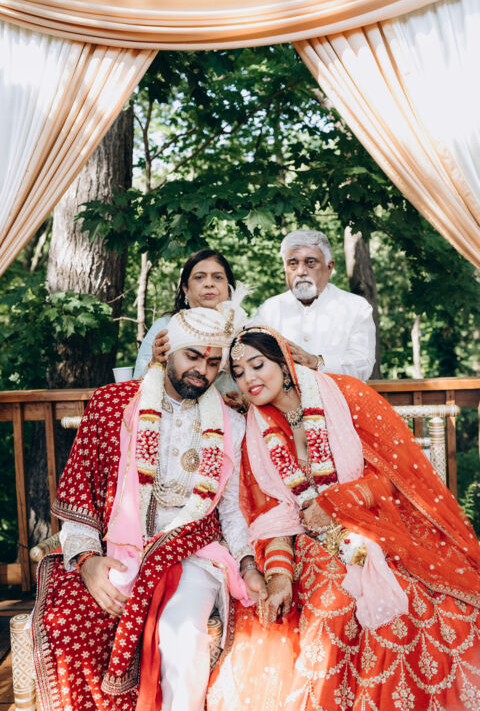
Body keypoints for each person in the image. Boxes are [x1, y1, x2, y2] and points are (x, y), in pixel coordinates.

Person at [207, 327, 480, 710]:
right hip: (309, 539)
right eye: (238, 372)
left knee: (412, 602)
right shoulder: (255, 429)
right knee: (333, 605)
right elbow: (272, 514)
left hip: (379, 525)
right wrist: (279, 574)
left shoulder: (346, 394)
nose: (248, 378)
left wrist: (336, 503)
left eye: (257, 365)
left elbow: (392, 476)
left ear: (284, 364)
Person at [32, 307, 266, 711]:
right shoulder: (113, 406)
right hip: (119, 548)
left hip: (193, 550)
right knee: (71, 623)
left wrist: (247, 563)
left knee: (181, 634)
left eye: (214, 362)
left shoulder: (233, 422)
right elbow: (80, 496)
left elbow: (231, 511)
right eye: (192, 356)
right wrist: (87, 561)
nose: (203, 371)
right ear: (168, 352)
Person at [252, 228, 376, 380]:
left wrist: (317, 362)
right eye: (293, 263)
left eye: (310, 263)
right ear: (285, 269)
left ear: (329, 267)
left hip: (340, 395)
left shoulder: (356, 307)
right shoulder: (269, 310)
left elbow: (363, 365)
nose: (301, 271)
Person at [134, 248, 236, 379]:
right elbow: (136, 385)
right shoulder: (164, 327)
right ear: (186, 288)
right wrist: (155, 365)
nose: (209, 283)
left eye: (218, 277)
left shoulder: (240, 331)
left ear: (229, 287)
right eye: (199, 277)